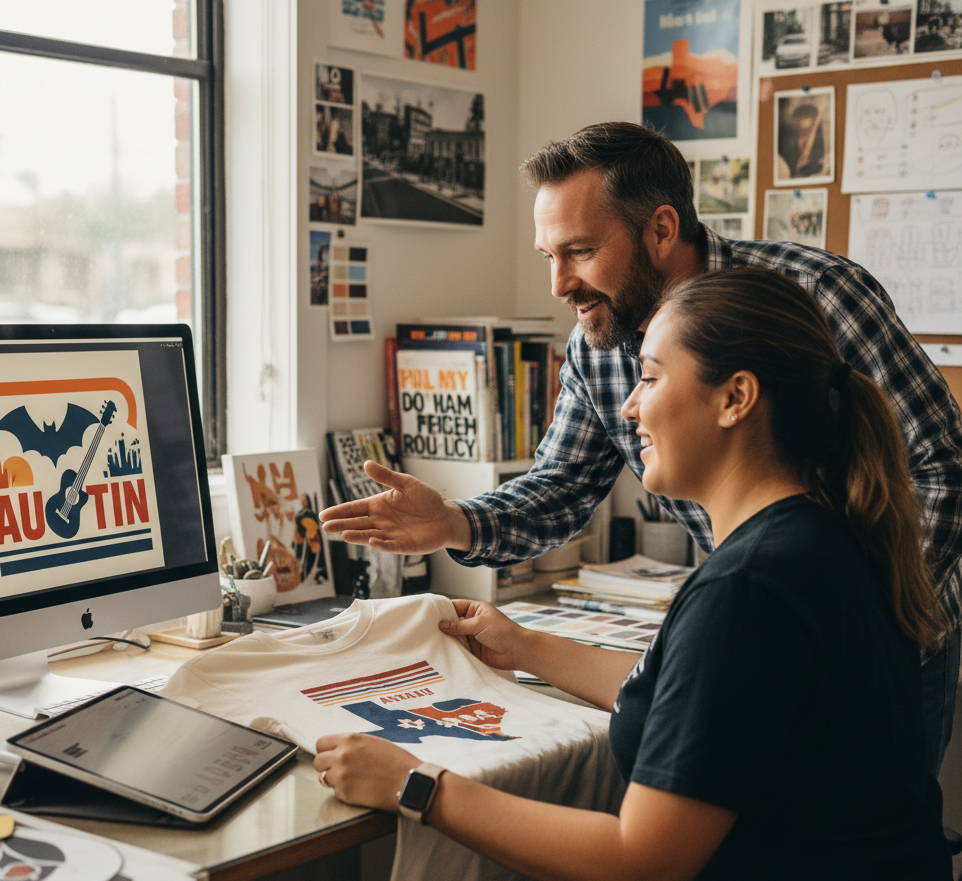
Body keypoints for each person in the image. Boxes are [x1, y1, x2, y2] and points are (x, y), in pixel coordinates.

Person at [315, 268, 954, 881]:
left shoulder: (749, 586)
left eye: (650, 377)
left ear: (736, 398)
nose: (628, 406)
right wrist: (524, 646)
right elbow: (705, 700)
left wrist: (415, 784)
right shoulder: (818, 537)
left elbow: (640, 863)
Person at [320, 121, 962, 774]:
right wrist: (455, 521)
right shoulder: (598, 340)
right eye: (548, 256)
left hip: (881, 635)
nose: (559, 284)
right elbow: (564, 486)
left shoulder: (816, 295)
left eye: (579, 251)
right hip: (756, 628)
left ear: (660, 229)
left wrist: (853, 623)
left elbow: (942, 473)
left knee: (861, 826)